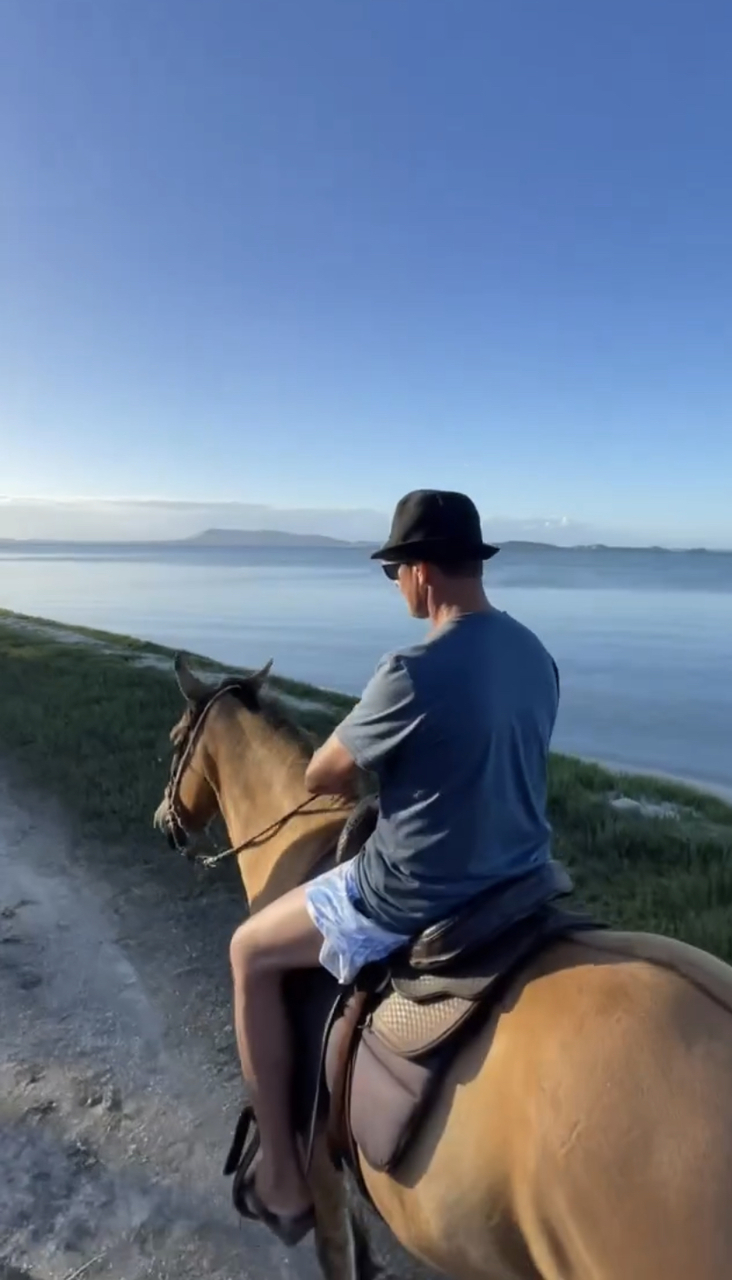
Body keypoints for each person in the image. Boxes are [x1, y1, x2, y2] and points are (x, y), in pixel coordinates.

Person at [228, 488, 571, 1244]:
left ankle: (284, 1178)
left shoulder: (411, 669)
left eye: (394, 574)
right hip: (520, 875)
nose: (396, 590)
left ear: (419, 572)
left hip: (412, 891)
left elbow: (323, 775)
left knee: (248, 951)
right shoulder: (534, 654)